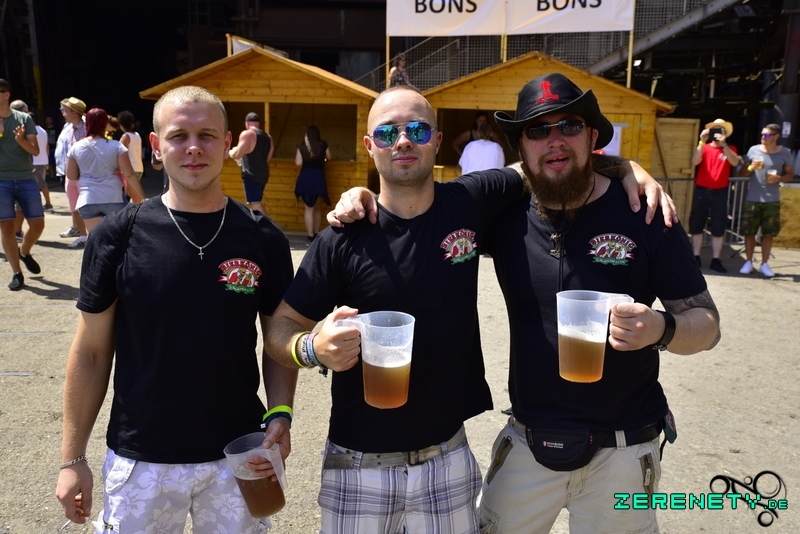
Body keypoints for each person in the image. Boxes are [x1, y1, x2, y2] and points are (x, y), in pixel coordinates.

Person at [268, 84, 674, 533]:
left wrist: (626, 167)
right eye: (386, 133)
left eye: (418, 130)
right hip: (358, 462)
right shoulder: (341, 239)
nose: (402, 141)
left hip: (447, 460)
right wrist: (311, 348)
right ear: (369, 146)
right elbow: (281, 327)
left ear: (437, 141)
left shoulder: (471, 201)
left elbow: (549, 161)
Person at [471, 72, 720, 534]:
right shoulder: (503, 216)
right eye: (537, 130)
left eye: (569, 126)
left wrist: (661, 328)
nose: (554, 140)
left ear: (592, 136)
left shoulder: (645, 212)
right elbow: (423, 208)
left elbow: (707, 324)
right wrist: (361, 195)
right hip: (528, 443)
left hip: (624, 448)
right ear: (521, 147)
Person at [55, 85, 297, 533]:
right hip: (142, 457)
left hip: (239, 455)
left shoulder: (263, 237)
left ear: (228, 144)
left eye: (207, 135)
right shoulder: (117, 235)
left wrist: (280, 412)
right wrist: (73, 459)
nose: (193, 148)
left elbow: (278, 338)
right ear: (155, 144)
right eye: (179, 135)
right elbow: (90, 352)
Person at [66, 108, 145, 234]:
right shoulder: (116, 146)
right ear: (105, 124)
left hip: (88, 199)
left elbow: (71, 175)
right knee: (118, 238)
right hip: (113, 197)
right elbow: (129, 174)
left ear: (87, 124)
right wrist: (142, 197)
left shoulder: (76, 147)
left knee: (96, 239)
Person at [0, 79, 43, 291]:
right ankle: (17, 273)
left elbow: (35, 150)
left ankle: (24, 252)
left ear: (6, 94)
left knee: (38, 225)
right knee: (7, 227)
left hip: (26, 178)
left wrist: (21, 140)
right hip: (1, 180)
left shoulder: (23, 118)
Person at [738, 123, 794, 278]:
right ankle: (748, 261)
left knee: (768, 233)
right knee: (749, 232)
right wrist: (750, 167)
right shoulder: (753, 150)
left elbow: (790, 175)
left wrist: (779, 178)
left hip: (772, 199)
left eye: (767, 135)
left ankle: (764, 263)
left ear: (776, 137)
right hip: (753, 197)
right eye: (762, 134)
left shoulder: (785, 153)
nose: (763, 137)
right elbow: (742, 173)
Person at [689, 118, 740, 273]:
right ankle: (696, 257)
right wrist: (701, 141)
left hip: (720, 192)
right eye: (715, 130)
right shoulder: (704, 147)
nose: (717, 133)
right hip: (702, 191)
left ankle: (716, 259)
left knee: (719, 226)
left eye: (721, 130)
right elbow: (694, 161)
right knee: (697, 224)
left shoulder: (730, 148)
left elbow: (734, 162)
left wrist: (724, 145)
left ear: (725, 133)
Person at [55, 96, 88, 248]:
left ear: (74, 113)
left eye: (65, 111)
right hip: (70, 173)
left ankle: (92, 235)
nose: (63, 113)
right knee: (74, 206)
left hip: (84, 173)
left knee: (86, 206)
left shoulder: (87, 127)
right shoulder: (68, 127)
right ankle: (82, 236)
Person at [9, 101, 54, 212]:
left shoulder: (27, 131)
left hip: (34, 161)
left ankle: (43, 204)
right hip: (41, 160)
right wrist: (46, 159)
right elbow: (46, 146)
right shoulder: (42, 130)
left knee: (36, 184)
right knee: (40, 183)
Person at [229, 111, 274, 215]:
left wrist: (231, 152)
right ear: (258, 123)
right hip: (263, 174)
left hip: (252, 174)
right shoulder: (268, 137)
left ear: (247, 123)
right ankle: (259, 224)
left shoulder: (247, 134)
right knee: (255, 202)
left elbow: (237, 154)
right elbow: (268, 158)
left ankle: (265, 225)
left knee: (255, 204)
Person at [294, 125, 331, 242]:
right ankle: (316, 233)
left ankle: (310, 235)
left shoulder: (302, 146)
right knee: (317, 207)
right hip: (318, 177)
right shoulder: (323, 144)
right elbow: (329, 157)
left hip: (305, 178)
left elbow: (298, 162)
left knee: (308, 209)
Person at [117, 110, 144, 181]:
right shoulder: (137, 135)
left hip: (129, 169)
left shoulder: (126, 137)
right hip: (139, 168)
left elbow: (122, 155)